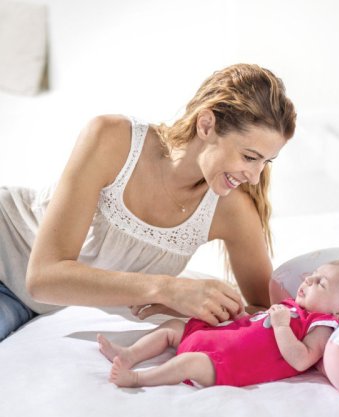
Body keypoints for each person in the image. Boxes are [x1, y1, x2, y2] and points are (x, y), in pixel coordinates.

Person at [0, 63, 297, 341]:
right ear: (206, 125)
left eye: (266, 162)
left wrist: (188, 307)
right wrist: (166, 289)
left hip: (27, 305)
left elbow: (268, 312)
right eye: (249, 157)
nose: (255, 178)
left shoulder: (231, 210)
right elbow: (44, 277)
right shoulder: (113, 139)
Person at [97, 260, 339, 388]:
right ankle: (129, 354)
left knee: (189, 363)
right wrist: (239, 317)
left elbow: (300, 360)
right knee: (173, 326)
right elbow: (256, 326)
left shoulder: (321, 325)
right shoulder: (292, 307)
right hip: (217, 337)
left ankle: (138, 379)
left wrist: (282, 327)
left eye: (321, 283)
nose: (308, 279)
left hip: (225, 362)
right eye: (313, 274)